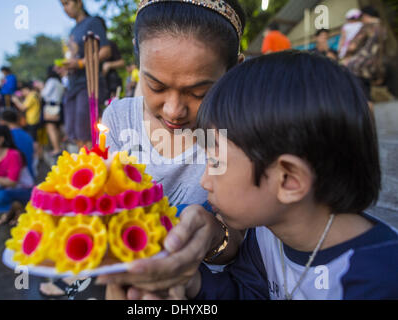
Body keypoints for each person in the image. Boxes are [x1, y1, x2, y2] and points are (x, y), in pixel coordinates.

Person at [110, 51, 398, 300]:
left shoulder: (377, 280)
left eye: (215, 161)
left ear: (289, 180)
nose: (204, 180)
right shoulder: (266, 237)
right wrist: (190, 283)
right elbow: (244, 293)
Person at [97, 0, 247, 298]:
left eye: (198, 93)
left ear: (234, 71)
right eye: (156, 86)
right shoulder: (118, 118)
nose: (174, 110)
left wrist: (211, 237)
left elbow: (239, 241)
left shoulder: (235, 134)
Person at [59, 0, 112, 149]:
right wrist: (66, 67)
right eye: (62, 5)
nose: (65, 8)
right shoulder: (72, 30)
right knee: (73, 131)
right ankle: (82, 164)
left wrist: (81, 63)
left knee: (86, 131)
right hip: (73, 84)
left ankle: (93, 166)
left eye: (67, 3)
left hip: (89, 83)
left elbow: (105, 50)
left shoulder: (93, 22)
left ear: (79, 3)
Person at [342, 6, 387, 108]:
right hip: (375, 66)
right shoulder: (382, 28)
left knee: (362, 99)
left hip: (358, 66)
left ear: (366, 16)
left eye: (361, 18)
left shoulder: (366, 27)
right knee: (368, 98)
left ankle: (367, 121)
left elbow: (352, 47)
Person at [0, 109, 35, 180]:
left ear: (2, 121)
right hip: (29, 175)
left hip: (17, 179)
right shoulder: (27, 135)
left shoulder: (6, 137)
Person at [11, 81, 41, 160]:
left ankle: (36, 155)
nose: (23, 93)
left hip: (32, 119)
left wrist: (16, 101)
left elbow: (23, 108)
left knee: (34, 139)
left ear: (26, 89)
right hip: (35, 118)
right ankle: (38, 154)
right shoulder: (35, 94)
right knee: (35, 138)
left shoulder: (31, 95)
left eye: (23, 91)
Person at [40, 66, 65, 157]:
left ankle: (56, 149)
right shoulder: (59, 81)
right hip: (59, 106)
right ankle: (59, 147)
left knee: (51, 128)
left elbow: (44, 94)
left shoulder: (51, 81)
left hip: (50, 107)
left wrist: (41, 87)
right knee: (57, 128)